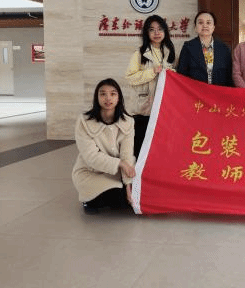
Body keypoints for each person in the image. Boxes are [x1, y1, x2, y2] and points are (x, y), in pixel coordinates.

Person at [72, 78, 136, 215]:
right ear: (97, 97)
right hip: (90, 172)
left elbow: (127, 154)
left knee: (132, 195)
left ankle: (118, 192)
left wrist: (128, 185)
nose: (108, 98)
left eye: (113, 94)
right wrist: (120, 164)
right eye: (103, 94)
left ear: (119, 98)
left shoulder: (128, 122)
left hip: (117, 173)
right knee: (114, 197)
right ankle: (90, 200)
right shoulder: (84, 122)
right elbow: (91, 157)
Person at [125, 14, 176, 158]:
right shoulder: (140, 53)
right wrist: (151, 72)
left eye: (160, 29)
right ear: (146, 33)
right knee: (140, 146)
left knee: (159, 148)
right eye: (152, 30)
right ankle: (136, 172)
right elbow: (130, 78)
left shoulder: (170, 53)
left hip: (163, 108)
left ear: (165, 31)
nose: (156, 33)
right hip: (142, 109)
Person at [177, 11, 233, 86]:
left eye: (208, 23)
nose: (205, 26)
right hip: (196, 91)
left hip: (219, 91)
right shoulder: (188, 47)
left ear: (213, 27)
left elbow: (229, 76)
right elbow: (181, 74)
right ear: (195, 27)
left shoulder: (224, 48)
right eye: (200, 23)